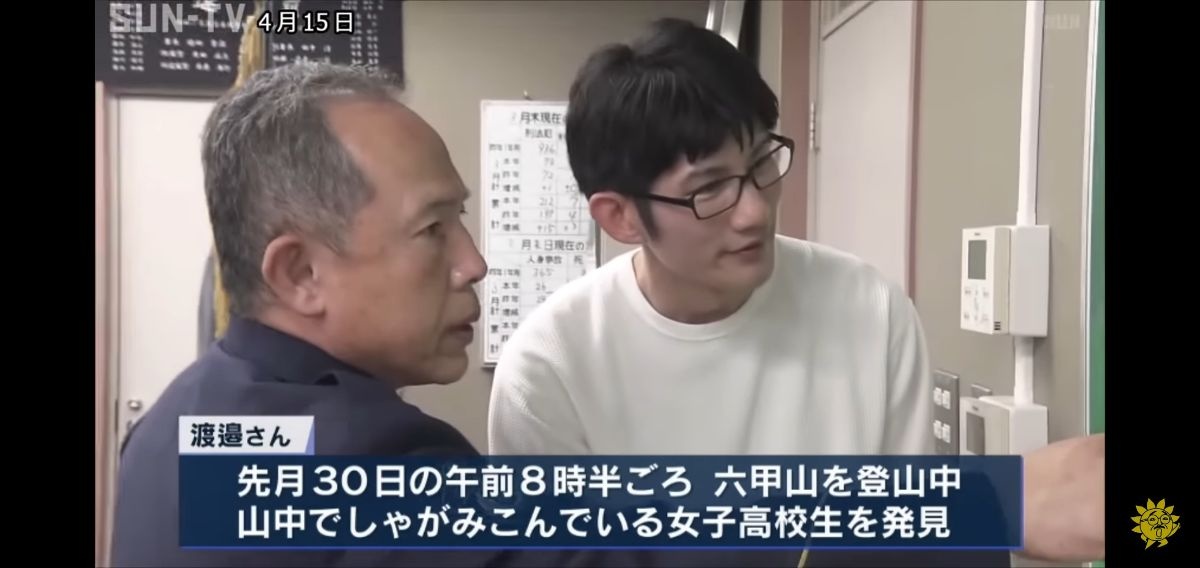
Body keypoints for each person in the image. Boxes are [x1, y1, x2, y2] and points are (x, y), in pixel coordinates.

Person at [487, 18, 1103, 565]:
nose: (755, 211)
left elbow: (901, 549)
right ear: (620, 217)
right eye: (710, 188)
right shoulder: (549, 370)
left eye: (761, 163)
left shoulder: (870, 310)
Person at [109, 61, 667, 568]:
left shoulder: (166, 426)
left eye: (460, 218)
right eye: (432, 229)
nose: (473, 264)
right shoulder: (373, 466)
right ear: (301, 273)